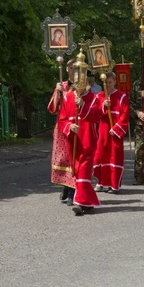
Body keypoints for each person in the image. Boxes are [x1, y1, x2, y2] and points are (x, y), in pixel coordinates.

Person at [58, 82, 103, 216]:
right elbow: (62, 119)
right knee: (77, 170)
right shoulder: (68, 97)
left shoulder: (93, 97)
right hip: (73, 139)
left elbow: (97, 114)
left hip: (87, 138)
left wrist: (83, 105)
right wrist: (70, 127)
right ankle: (88, 201)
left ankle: (79, 202)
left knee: (83, 169)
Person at [92, 73, 130, 194]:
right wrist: (103, 106)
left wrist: (117, 128)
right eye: (106, 83)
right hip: (102, 131)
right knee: (100, 155)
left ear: (114, 82)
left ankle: (114, 185)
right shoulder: (100, 96)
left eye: (110, 82)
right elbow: (93, 113)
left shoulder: (121, 96)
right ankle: (100, 182)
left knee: (114, 157)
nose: (108, 85)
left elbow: (125, 115)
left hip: (115, 132)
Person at [48, 58, 76, 205]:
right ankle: (67, 186)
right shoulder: (62, 86)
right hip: (62, 128)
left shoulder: (82, 87)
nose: (73, 70)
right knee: (64, 159)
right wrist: (58, 93)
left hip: (77, 127)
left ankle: (73, 192)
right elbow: (53, 109)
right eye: (71, 67)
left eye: (76, 68)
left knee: (74, 157)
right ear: (67, 69)